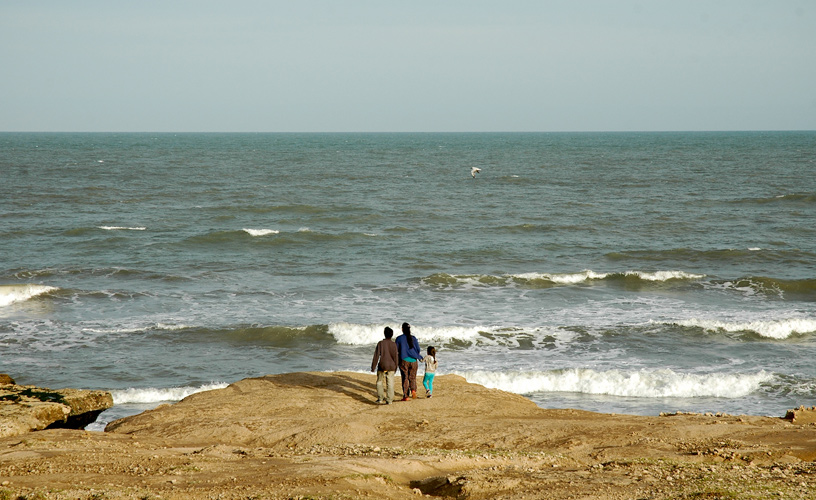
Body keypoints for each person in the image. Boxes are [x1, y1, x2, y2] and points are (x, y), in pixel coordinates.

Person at [395, 322, 423, 401]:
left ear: (402, 329)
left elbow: (396, 350)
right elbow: (418, 349)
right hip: (414, 360)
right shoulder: (413, 338)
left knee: (405, 378)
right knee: (413, 377)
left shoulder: (399, 338)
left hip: (404, 360)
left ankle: (406, 396)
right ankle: (413, 390)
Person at [371, 326, 399, 404]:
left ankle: (380, 398)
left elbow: (376, 356)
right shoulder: (394, 344)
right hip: (391, 366)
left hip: (382, 365)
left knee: (379, 382)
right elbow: (396, 357)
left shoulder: (381, 343)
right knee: (390, 383)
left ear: (384, 334)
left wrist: (373, 366)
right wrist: (396, 367)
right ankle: (389, 400)